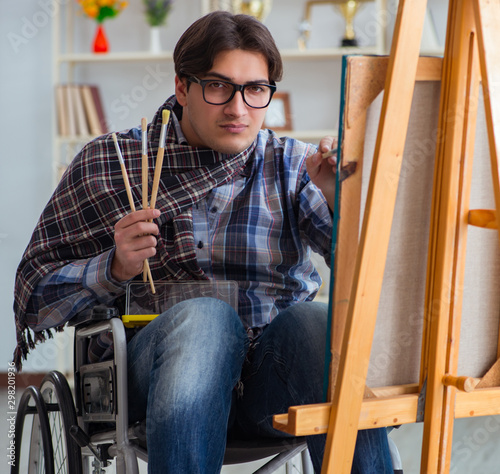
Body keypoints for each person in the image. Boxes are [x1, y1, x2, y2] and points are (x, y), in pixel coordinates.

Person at [13, 10, 393, 474]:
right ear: (182, 87)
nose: (238, 109)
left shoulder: (295, 166)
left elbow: (376, 277)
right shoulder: (111, 163)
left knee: (317, 322)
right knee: (206, 319)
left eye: (255, 89)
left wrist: (339, 200)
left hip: (268, 388)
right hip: (153, 384)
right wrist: (112, 268)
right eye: (218, 86)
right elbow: (35, 297)